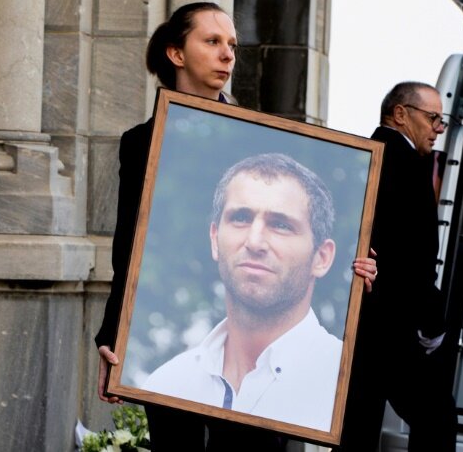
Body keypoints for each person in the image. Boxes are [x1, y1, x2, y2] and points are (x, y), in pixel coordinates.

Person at [94, 2, 378, 451]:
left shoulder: (265, 138)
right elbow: (129, 245)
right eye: (212, 41)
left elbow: (316, 224)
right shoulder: (142, 142)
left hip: (262, 339)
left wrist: (356, 265)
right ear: (176, 53)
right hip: (177, 334)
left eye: (232, 44)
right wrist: (114, 336)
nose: (228, 54)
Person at [142, 152, 347, 431]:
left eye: (281, 225)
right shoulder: (167, 385)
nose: (254, 241)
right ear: (214, 239)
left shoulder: (343, 383)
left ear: (321, 258)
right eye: (240, 218)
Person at [335, 81, 458, 451]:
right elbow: (413, 257)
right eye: (433, 118)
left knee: (357, 428)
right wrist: (432, 322)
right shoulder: (406, 164)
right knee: (437, 416)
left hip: (354, 322)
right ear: (401, 114)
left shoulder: (358, 157)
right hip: (391, 325)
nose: (439, 128)